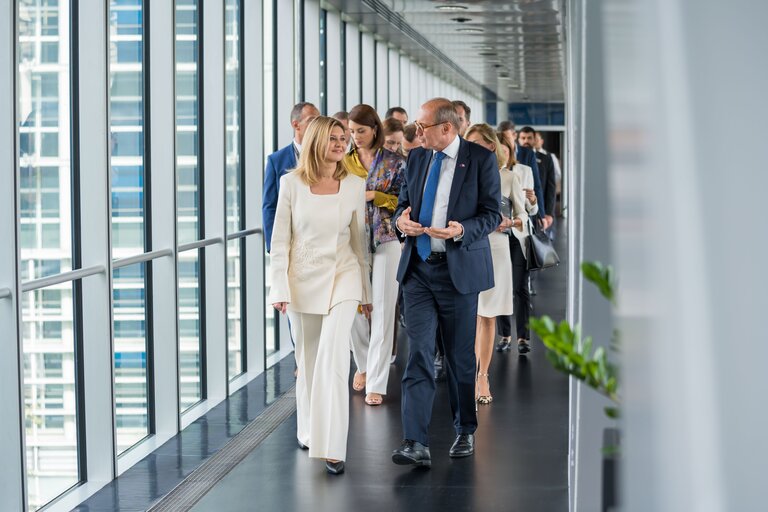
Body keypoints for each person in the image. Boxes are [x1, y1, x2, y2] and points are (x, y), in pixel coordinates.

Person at [391, 98, 500, 467]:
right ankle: (414, 441)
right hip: (418, 270)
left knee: (458, 358)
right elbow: (402, 205)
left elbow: (491, 214)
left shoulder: (481, 159)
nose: (416, 132)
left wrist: (460, 230)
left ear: (447, 128)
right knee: (418, 354)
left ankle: (465, 429)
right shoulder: (418, 158)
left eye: (422, 126)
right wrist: (400, 223)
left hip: (458, 272)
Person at [269, 116, 372, 475]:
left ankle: (333, 446)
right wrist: (278, 287)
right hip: (301, 280)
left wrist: (366, 291)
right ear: (315, 141)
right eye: (333, 138)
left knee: (333, 356)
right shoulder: (291, 184)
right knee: (309, 360)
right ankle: (309, 430)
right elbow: (280, 241)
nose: (341, 143)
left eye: (344, 138)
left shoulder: (356, 183)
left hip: (343, 277)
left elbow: (360, 243)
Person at [344, 104, 405, 406]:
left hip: (387, 238)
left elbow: (406, 202)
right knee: (353, 306)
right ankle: (364, 364)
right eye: (351, 131)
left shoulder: (396, 162)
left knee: (383, 309)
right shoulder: (342, 163)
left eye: (361, 131)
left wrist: (376, 196)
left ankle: (376, 382)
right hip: (351, 241)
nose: (355, 137)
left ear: (375, 130)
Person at [465, 124, 527, 404]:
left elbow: (523, 216)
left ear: (491, 146)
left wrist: (509, 222)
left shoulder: (509, 177)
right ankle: (466, 372)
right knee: (468, 315)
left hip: (497, 248)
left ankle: (482, 376)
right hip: (466, 248)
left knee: (487, 314)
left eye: (477, 143)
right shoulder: (461, 176)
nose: (471, 148)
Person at [495, 135, 538, 355]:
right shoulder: (488, 174)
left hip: (518, 235)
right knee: (501, 285)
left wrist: (533, 201)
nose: (502, 155)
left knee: (520, 287)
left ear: (511, 152)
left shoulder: (523, 171)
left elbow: (531, 212)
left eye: (506, 151)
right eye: (498, 150)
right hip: (497, 237)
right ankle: (505, 335)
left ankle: (523, 337)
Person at [263, 102, 320, 252]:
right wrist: (272, 246)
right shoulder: (276, 161)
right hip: (290, 239)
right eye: (311, 120)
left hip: (319, 238)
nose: (317, 125)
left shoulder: (325, 156)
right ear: (296, 125)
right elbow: (270, 206)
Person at [519, 126, 556, 233]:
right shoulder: (514, 158)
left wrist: (548, 213)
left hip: (541, 209)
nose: (526, 141)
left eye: (529, 138)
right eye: (523, 138)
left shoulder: (546, 158)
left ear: (535, 139)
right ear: (518, 139)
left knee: (540, 245)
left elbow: (551, 187)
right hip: (522, 210)